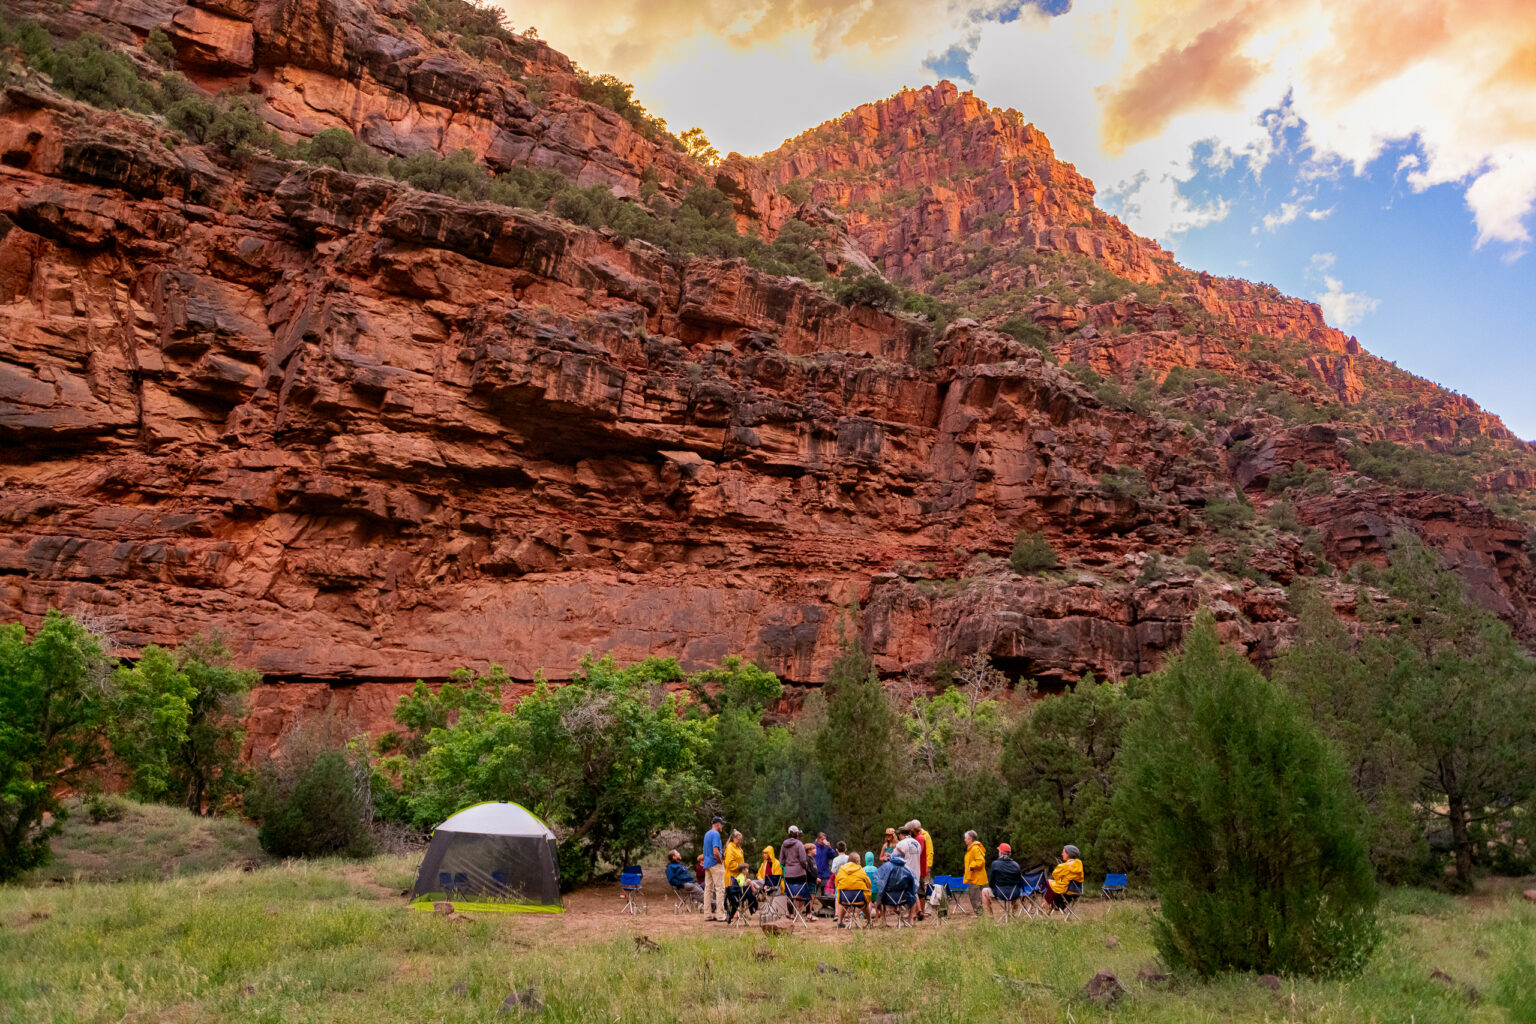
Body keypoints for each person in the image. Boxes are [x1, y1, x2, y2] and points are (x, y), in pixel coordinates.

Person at [980, 843, 1024, 919]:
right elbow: (1020, 882)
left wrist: (993, 888)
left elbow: (991, 882)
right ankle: (1014, 915)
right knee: (1018, 893)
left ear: (1000, 853)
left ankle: (991, 918)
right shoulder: (1016, 865)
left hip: (1000, 893)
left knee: (984, 891)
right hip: (1014, 893)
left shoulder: (995, 864)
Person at [874, 850, 916, 925]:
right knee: (914, 896)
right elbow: (913, 883)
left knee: (880, 895)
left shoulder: (886, 866)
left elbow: (879, 882)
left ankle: (884, 921)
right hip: (904, 897)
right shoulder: (906, 867)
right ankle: (910, 919)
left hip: (888, 898)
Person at [1042, 844, 1084, 912]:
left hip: (1065, 890)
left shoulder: (1064, 866)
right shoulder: (1079, 864)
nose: (1062, 854)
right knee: (1051, 886)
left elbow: (1055, 875)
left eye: (1063, 852)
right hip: (1077, 890)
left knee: (1045, 882)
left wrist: (1061, 866)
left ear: (1069, 854)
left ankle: (1049, 903)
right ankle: (1054, 904)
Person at [833, 853, 871, 928]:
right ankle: (869, 921)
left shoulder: (841, 870)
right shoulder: (861, 870)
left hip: (844, 898)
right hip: (859, 898)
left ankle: (840, 922)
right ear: (857, 861)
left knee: (843, 903)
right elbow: (868, 884)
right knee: (866, 902)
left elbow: (836, 884)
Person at [895, 825, 923, 919]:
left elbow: (895, 857)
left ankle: (913, 913)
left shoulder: (901, 844)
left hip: (906, 870)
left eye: (899, 834)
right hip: (916, 870)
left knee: (909, 893)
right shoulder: (916, 843)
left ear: (902, 834)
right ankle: (918, 910)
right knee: (914, 891)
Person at [702, 817, 726, 921]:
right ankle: (720, 914)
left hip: (707, 864)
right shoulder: (716, 834)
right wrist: (720, 861)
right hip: (715, 863)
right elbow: (715, 851)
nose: (722, 826)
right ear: (718, 824)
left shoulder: (707, 834)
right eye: (721, 824)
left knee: (708, 889)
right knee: (720, 889)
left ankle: (707, 914)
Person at [962, 830, 988, 915]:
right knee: (973, 896)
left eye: (966, 838)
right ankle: (979, 915)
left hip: (977, 878)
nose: (964, 840)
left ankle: (980, 916)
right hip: (973, 877)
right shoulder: (971, 849)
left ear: (970, 839)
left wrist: (971, 866)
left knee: (975, 897)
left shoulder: (975, 848)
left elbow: (981, 861)